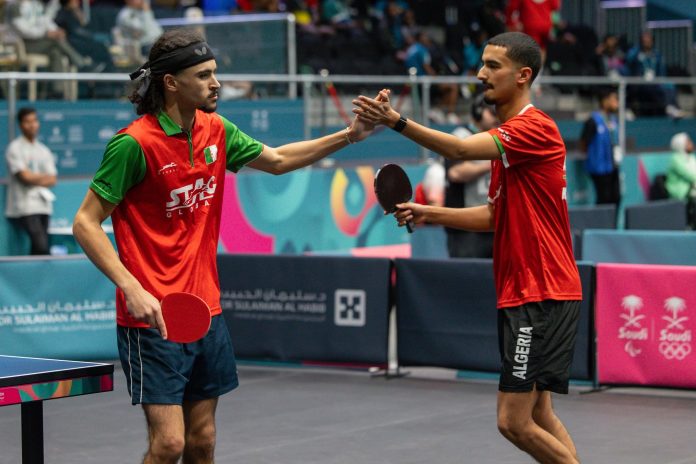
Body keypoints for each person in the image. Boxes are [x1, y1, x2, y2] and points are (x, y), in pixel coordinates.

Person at [72, 28, 374, 463]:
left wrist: (349, 135)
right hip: (153, 316)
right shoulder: (133, 144)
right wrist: (131, 288)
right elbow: (85, 222)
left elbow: (278, 160)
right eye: (203, 75)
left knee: (203, 441)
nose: (216, 84)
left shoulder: (216, 130)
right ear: (171, 82)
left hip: (205, 310)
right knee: (169, 444)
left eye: (214, 73)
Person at [353, 31, 582, 463]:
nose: (480, 74)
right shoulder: (508, 147)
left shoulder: (533, 128)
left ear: (523, 75)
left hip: (540, 290)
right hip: (531, 289)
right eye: (482, 64)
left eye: (493, 66)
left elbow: (459, 148)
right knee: (539, 413)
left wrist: (395, 121)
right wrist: (428, 212)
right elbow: (495, 217)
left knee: (513, 422)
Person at [445, 97, 497, 258]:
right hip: (465, 225)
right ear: (478, 112)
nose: (497, 117)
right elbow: (455, 173)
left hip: (492, 221)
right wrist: (491, 164)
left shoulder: (497, 136)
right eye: (492, 112)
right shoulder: (460, 136)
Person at [5, 107, 57, 255]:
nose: (32, 125)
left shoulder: (43, 150)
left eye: (34, 121)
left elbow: (52, 179)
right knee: (41, 246)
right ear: (21, 125)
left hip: (44, 205)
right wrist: (42, 176)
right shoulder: (14, 148)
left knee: (40, 247)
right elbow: (24, 177)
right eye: (28, 122)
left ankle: (35, 271)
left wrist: (32, 176)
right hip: (24, 206)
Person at [579, 87, 621, 207]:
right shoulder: (593, 121)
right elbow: (583, 142)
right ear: (605, 101)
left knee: (616, 197)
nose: (617, 102)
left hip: (613, 165)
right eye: (614, 99)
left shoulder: (613, 119)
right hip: (599, 168)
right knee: (604, 198)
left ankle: (613, 219)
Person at [665, 132, 696, 227]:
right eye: (688, 142)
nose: (691, 144)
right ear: (680, 145)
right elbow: (690, 175)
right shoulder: (675, 159)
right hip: (680, 193)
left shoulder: (691, 158)